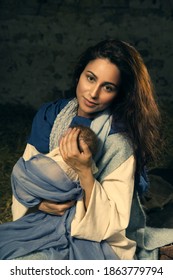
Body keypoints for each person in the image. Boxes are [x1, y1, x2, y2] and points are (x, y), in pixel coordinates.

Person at [1, 39, 173, 260]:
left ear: (119, 93)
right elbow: (25, 176)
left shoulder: (118, 140)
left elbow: (113, 221)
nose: (93, 93)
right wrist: (41, 204)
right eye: (90, 78)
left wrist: (84, 170)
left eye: (107, 87)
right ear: (80, 74)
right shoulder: (50, 117)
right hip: (40, 220)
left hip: (93, 235)